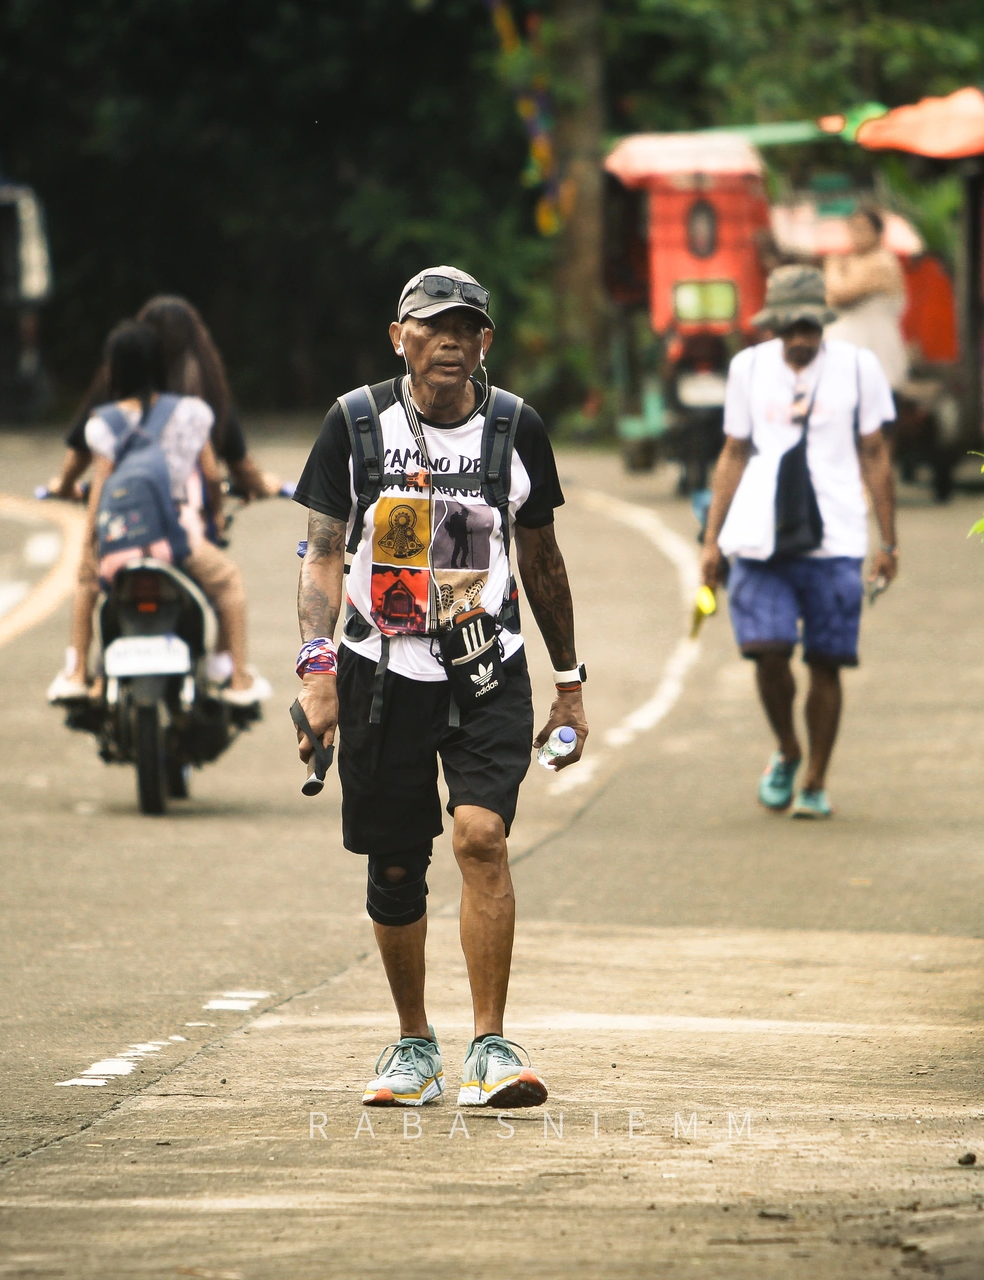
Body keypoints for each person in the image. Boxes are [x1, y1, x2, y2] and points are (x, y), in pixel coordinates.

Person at [291, 265, 586, 1110]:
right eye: (431, 327)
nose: (449, 342)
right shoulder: (355, 424)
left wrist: (569, 683)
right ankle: (413, 1044)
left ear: (485, 343)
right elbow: (321, 553)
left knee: (481, 837)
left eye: (465, 329)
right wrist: (317, 674)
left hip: (486, 666)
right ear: (400, 338)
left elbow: (542, 559)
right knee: (395, 863)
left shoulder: (515, 428)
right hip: (381, 672)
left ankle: (491, 1046)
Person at [700, 264, 898, 820]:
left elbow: (875, 452)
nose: (800, 337)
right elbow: (734, 451)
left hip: (836, 536)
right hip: (759, 537)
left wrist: (889, 542)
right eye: (789, 327)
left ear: (824, 323)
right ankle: (788, 748)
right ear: (773, 326)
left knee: (828, 662)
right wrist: (712, 540)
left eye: (810, 326)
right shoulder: (747, 368)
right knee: (767, 652)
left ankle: (816, 779)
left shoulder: (858, 368)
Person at [45, 296, 275, 701]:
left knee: (85, 584)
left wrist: (89, 546)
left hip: (119, 541)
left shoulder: (104, 423)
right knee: (228, 582)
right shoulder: (191, 413)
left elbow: (100, 486)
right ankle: (237, 678)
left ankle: (78, 672)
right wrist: (216, 517)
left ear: (113, 369)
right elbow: (210, 475)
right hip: (176, 540)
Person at [822, 208, 909, 391]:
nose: (856, 235)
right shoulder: (853, 260)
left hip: (872, 347)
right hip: (848, 348)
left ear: (878, 233)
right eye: (853, 229)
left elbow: (839, 295)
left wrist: (832, 266)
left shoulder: (882, 261)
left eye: (862, 229)